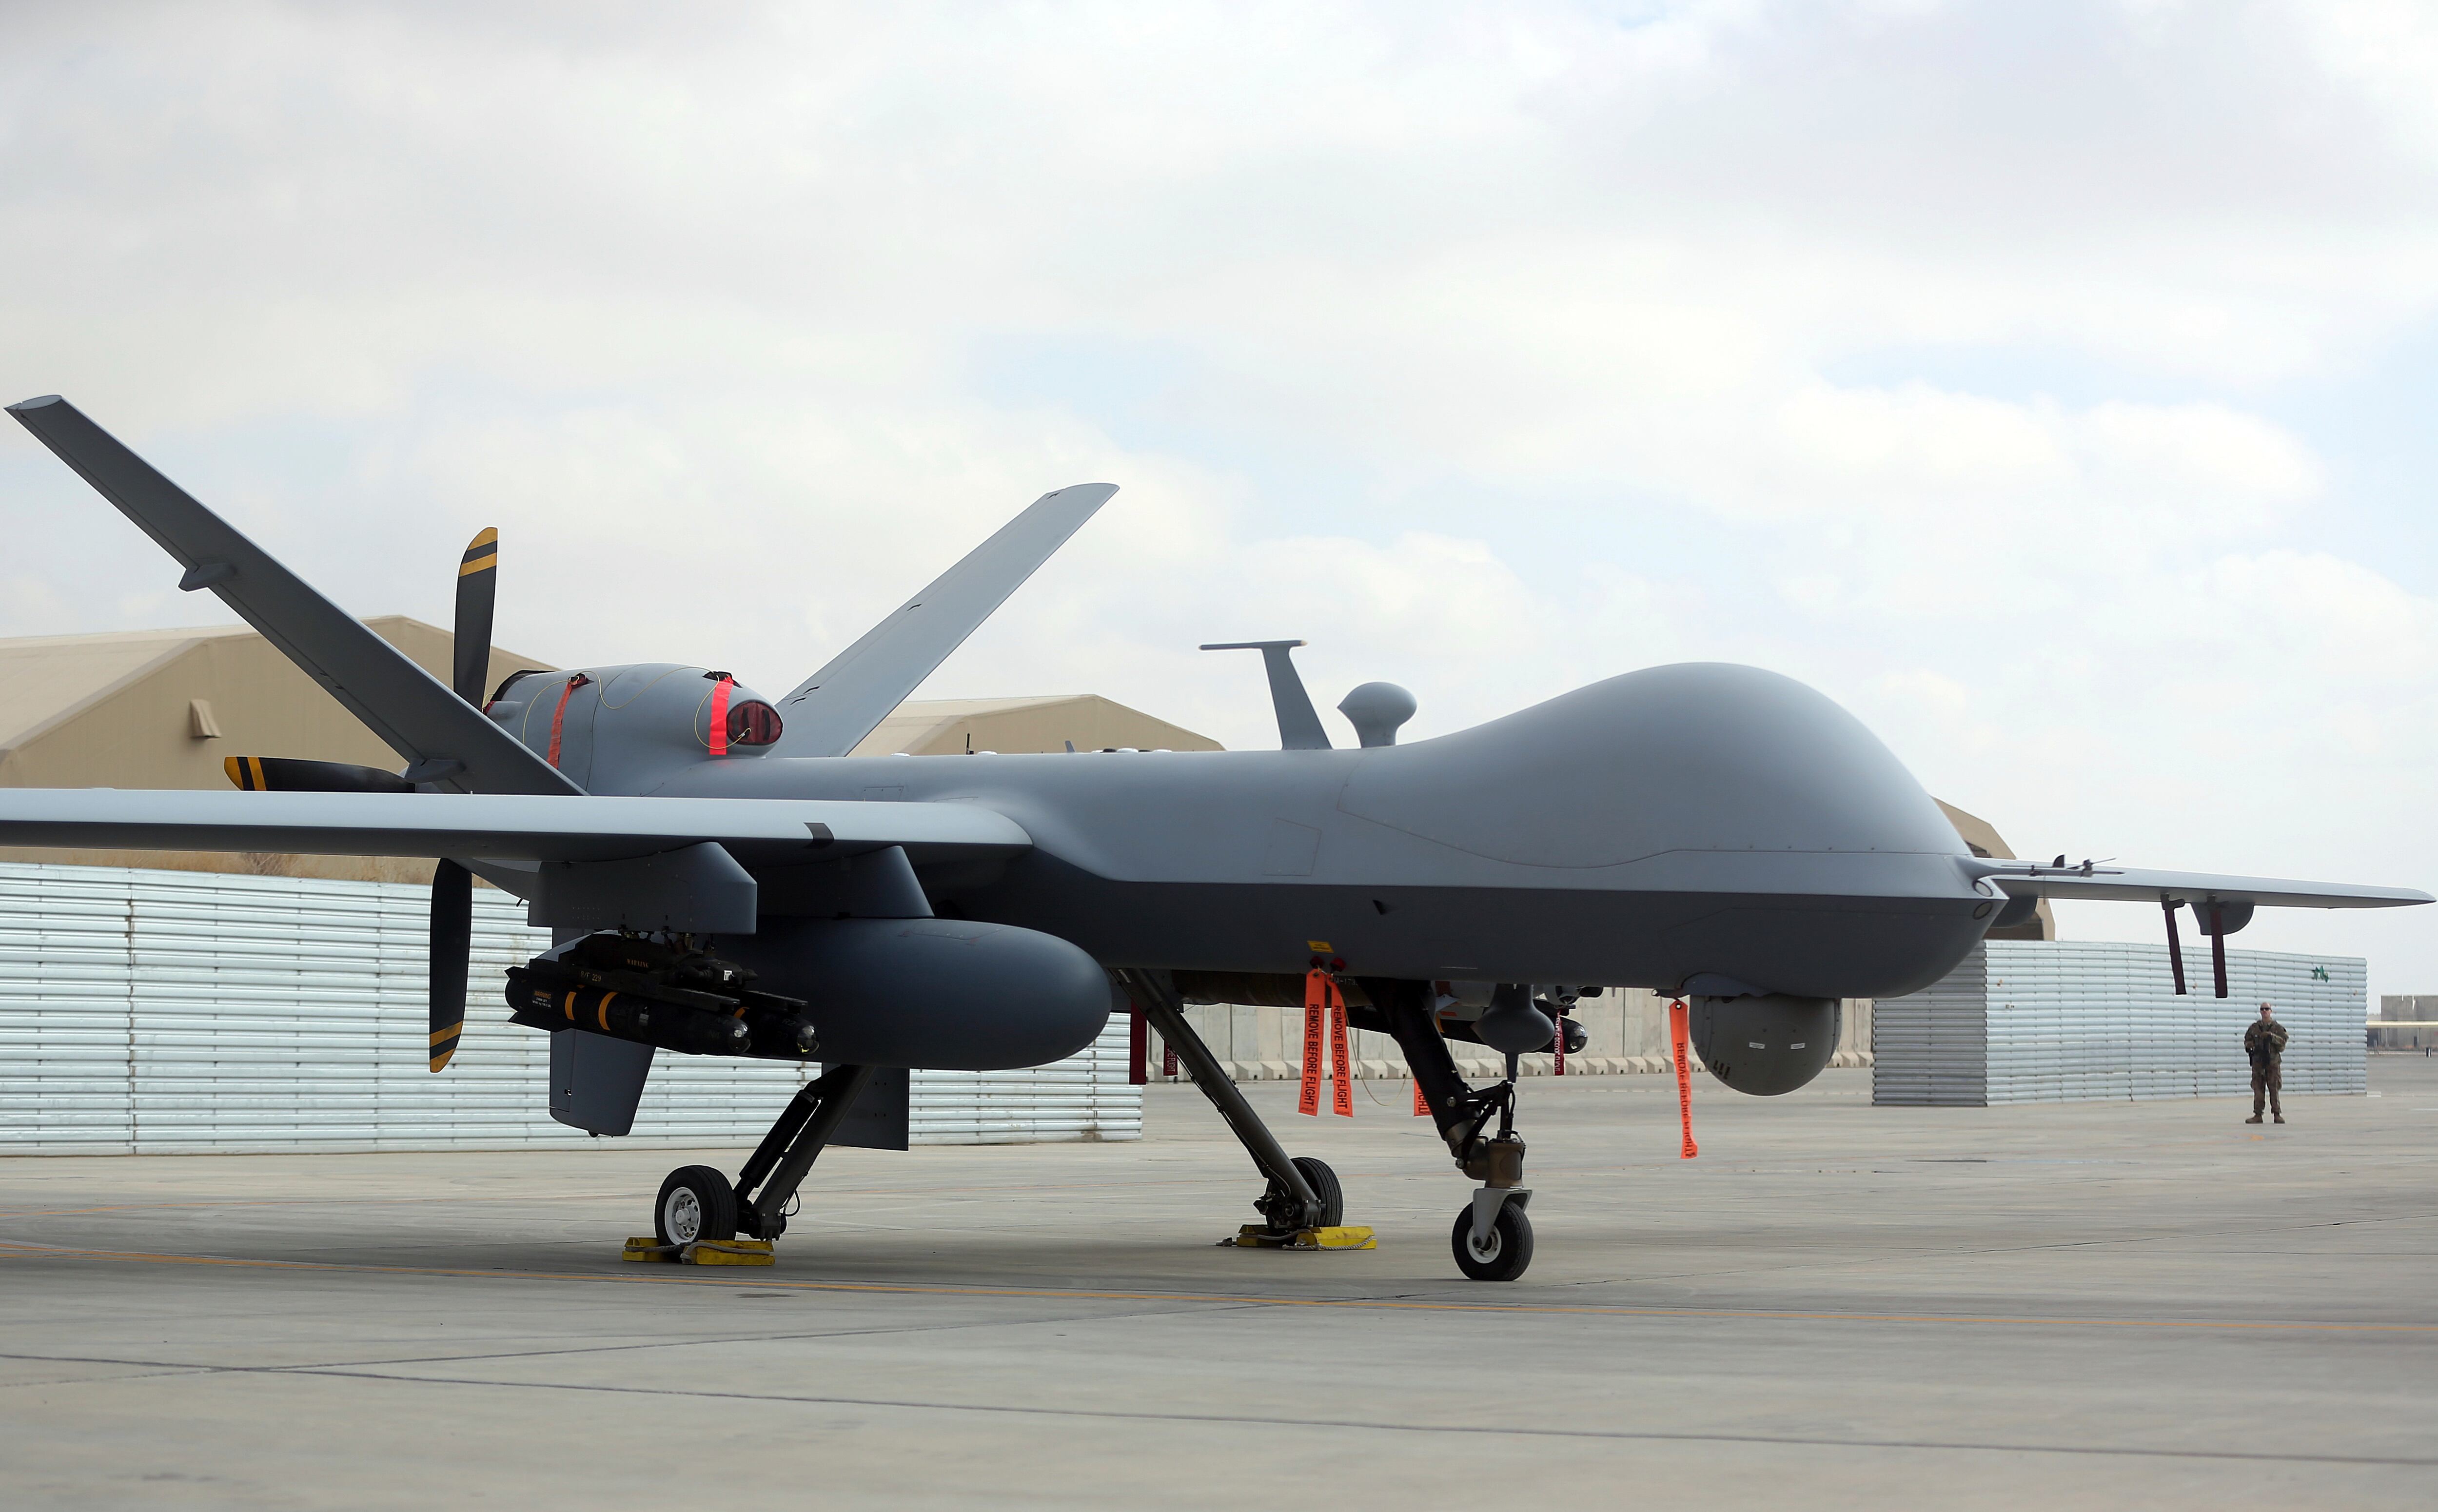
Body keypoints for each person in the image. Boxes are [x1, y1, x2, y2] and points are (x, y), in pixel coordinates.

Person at [2244, 1002, 2287, 1125]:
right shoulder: (2254, 1028)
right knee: (2258, 1088)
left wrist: (2271, 1038)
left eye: (2267, 1009)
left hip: (2272, 1063)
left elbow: (2283, 1044)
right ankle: (2258, 1114)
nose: (2264, 1011)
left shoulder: (2277, 1028)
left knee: (2274, 1088)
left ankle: (2277, 1114)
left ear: (2271, 1011)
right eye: (2262, 1009)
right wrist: (2252, 1046)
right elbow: (2247, 1041)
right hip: (2259, 1063)